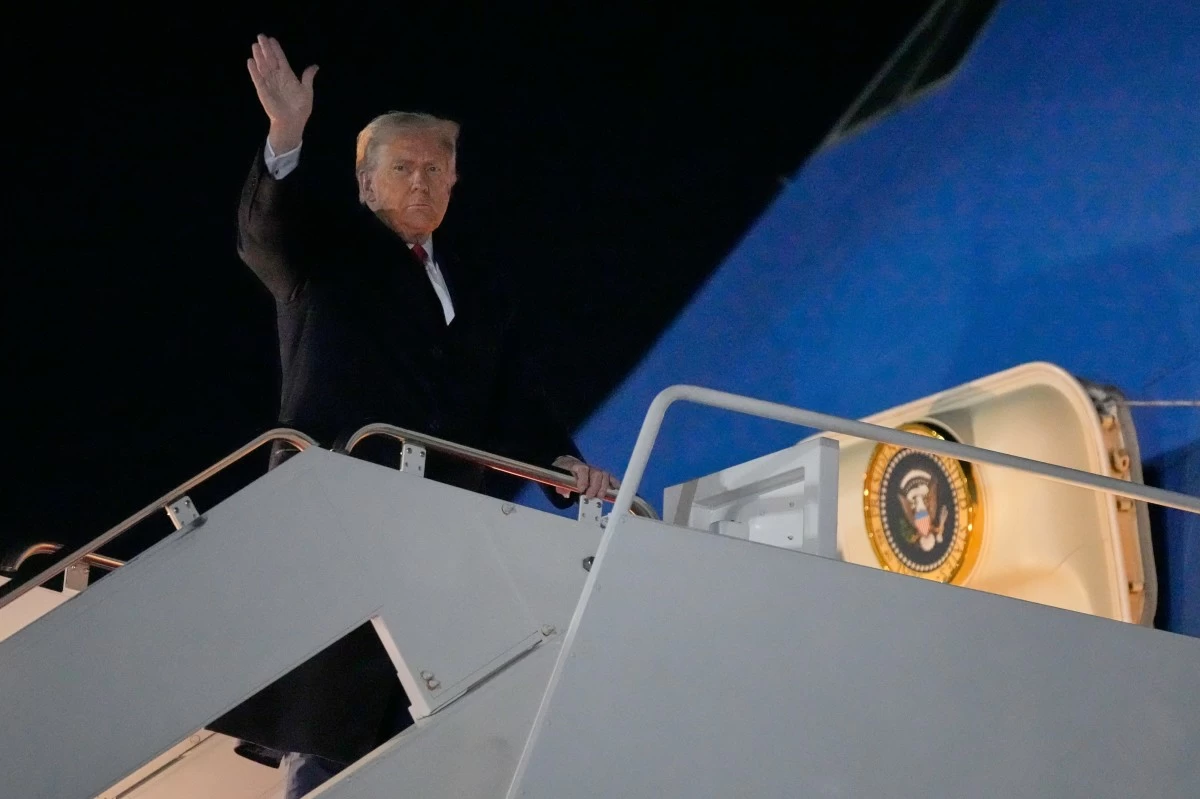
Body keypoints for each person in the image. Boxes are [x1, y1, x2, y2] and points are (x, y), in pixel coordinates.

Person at [209, 34, 619, 798]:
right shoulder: (326, 254)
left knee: (437, 729)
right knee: (331, 727)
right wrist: (285, 136)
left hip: (445, 538)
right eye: (403, 167)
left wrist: (562, 467)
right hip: (342, 521)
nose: (422, 180)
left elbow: (512, 401)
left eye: (436, 167)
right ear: (365, 183)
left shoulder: (478, 289)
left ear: (457, 178)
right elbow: (263, 236)